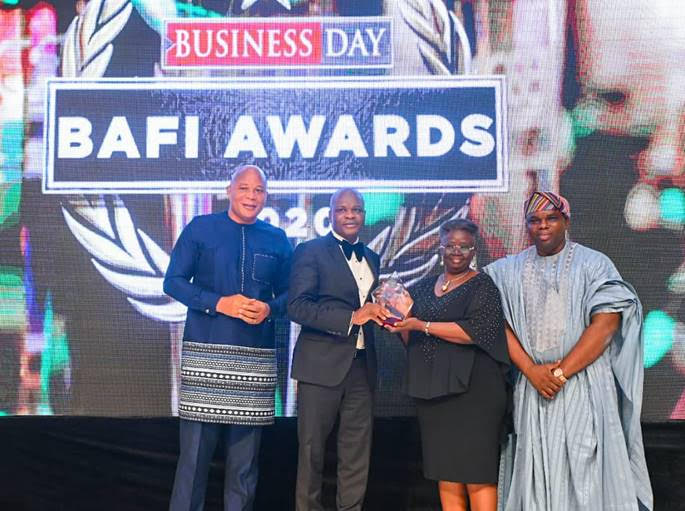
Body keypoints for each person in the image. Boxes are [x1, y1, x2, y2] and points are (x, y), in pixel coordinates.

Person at [485, 191, 653, 510]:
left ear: (566, 221)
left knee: (585, 473)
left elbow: (605, 325)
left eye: (551, 218)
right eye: (535, 220)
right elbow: (492, 319)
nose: (543, 226)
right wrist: (532, 371)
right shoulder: (507, 271)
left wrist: (560, 374)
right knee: (535, 472)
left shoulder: (594, 264)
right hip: (534, 388)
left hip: (583, 386)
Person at [163, 165, 292, 511]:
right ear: (229, 190)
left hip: (254, 365)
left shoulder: (277, 239)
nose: (251, 196)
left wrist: (269, 308)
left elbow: (292, 295)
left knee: (244, 470)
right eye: (245, 188)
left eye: (259, 190)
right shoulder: (202, 228)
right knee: (193, 465)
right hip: (206, 360)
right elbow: (172, 281)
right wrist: (219, 303)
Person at [385, 219, 511, 511]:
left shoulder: (483, 285)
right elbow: (411, 337)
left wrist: (422, 324)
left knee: (477, 475)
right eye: (450, 245)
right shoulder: (426, 286)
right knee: (447, 474)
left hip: (475, 395)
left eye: (464, 245)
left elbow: (476, 332)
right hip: (435, 394)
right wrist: (395, 317)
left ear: (474, 248)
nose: (457, 251)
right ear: (440, 247)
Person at [288, 188, 389, 511]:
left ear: (363, 215)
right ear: (330, 214)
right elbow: (297, 307)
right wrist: (352, 317)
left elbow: (370, 307)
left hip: (361, 366)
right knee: (311, 452)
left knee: (357, 453)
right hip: (320, 366)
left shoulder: (372, 257)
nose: (350, 215)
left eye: (356, 210)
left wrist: (388, 314)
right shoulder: (311, 251)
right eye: (343, 210)